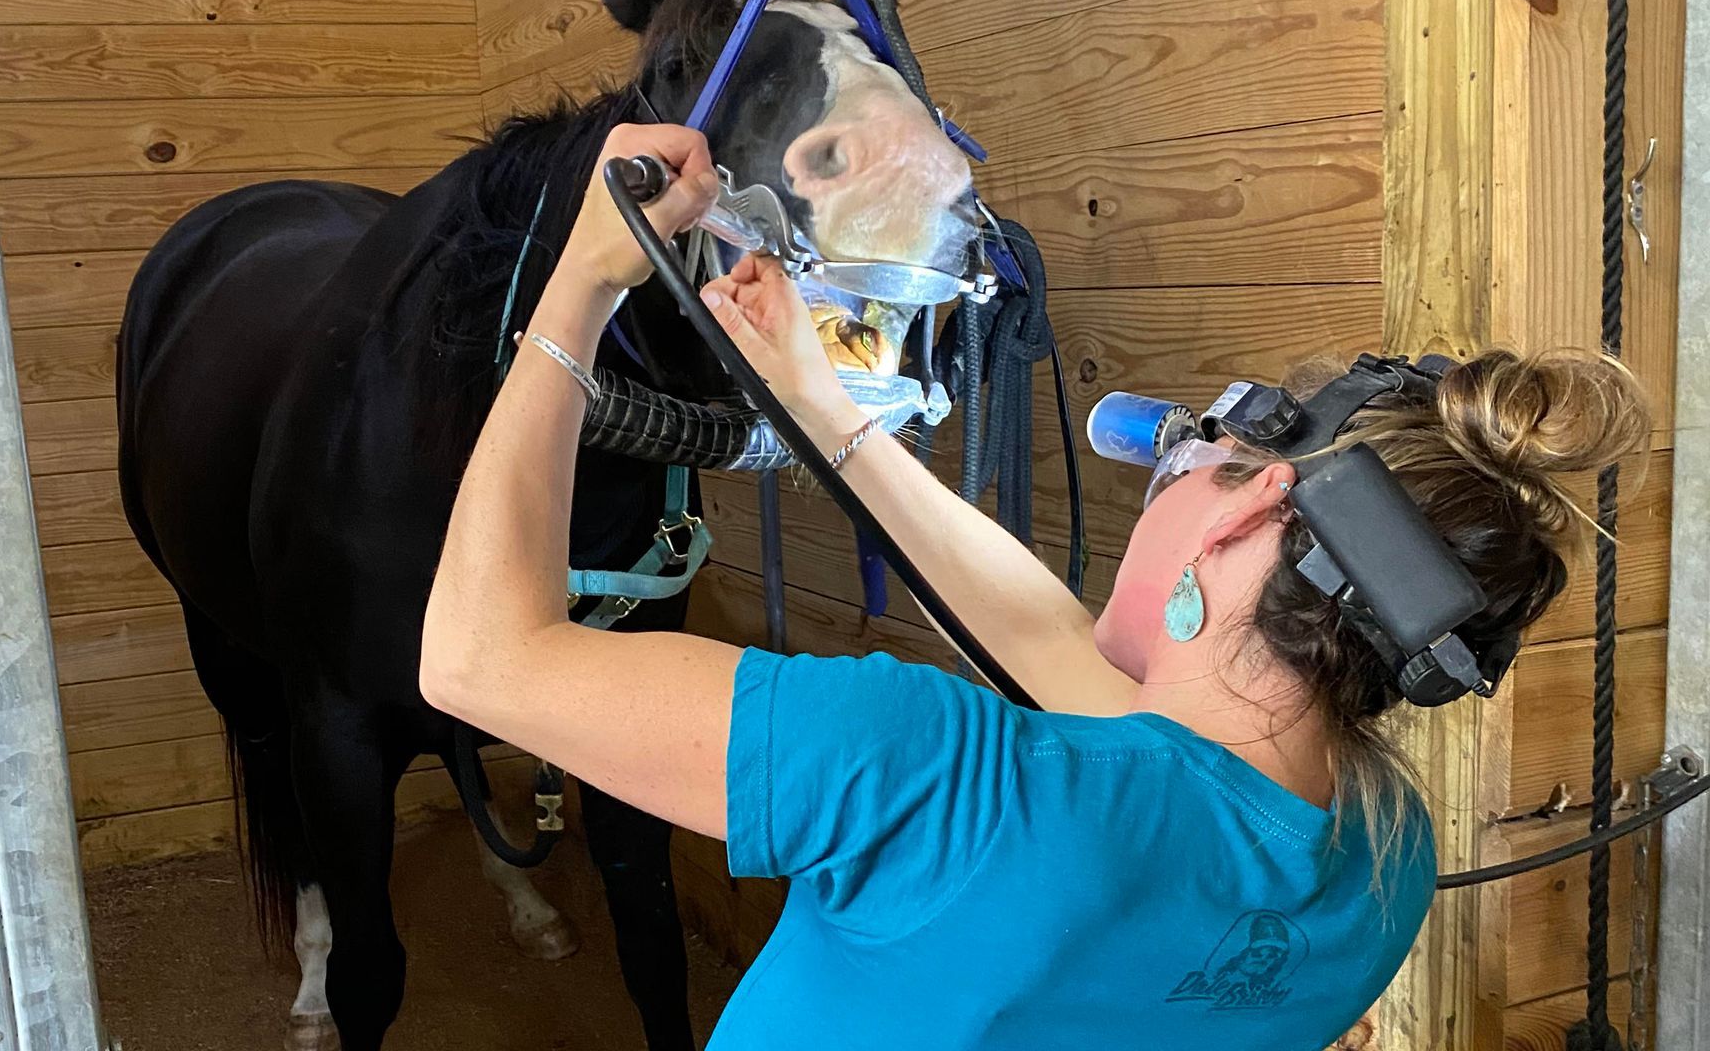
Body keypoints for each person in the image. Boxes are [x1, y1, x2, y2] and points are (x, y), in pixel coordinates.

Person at [419, 123, 1651, 1049]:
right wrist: (822, 407)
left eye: (1185, 460)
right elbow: (1056, 646)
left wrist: (576, 286)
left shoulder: (930, 772)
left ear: (1258, 509)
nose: (1156, 485)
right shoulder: (1378, 864)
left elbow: (477, 656)